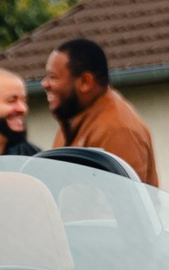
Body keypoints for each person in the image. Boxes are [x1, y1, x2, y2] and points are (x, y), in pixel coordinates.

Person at [41, 36, 157, 184]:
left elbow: (125, 202)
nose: (44, 84)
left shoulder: (118, 131)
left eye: (53, 77)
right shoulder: (73, 122)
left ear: (85, 82)